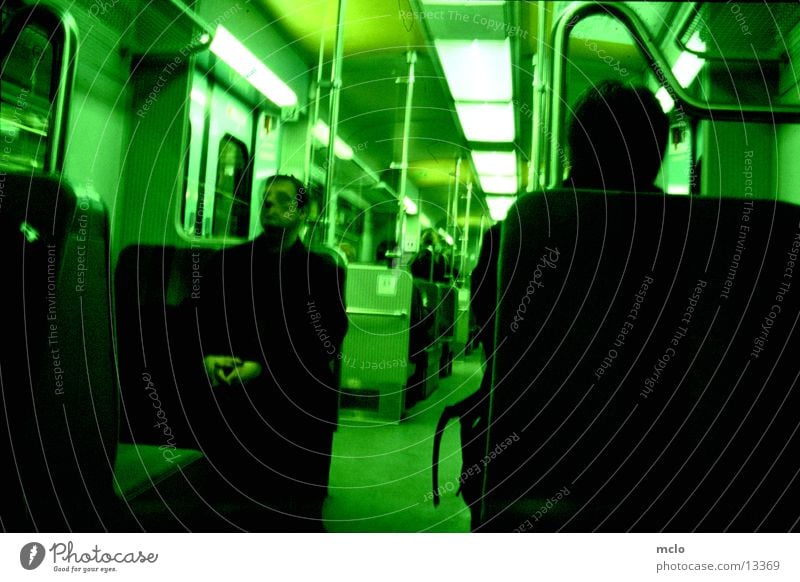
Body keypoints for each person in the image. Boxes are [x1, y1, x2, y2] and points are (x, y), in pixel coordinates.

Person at [196, 174, 347, 530]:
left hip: (294, 395)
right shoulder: (226, 263)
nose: (268, 203)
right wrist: (209, 355)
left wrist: (263, 368)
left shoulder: (321, 271)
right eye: (266, 197)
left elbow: (325, 340)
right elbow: (202, 319)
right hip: (232, 385)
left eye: (282, 198)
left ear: (304, 212)